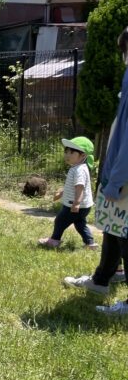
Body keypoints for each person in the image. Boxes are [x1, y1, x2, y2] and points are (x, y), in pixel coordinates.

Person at [64, 26, 128, 315]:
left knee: (124, 233)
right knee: (114, 229)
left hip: (123, 176)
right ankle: (102, 279)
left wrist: (115, 181)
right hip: (117, 172)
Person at [38, 137, 98, 250]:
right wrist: (62, 193)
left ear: (83, 156)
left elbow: (80, 187)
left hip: (73, 205)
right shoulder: (78, 168)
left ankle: (54, 240)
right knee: (80, 223)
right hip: (85, 206)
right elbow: (74, 187)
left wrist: (76, 203)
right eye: (66, 152)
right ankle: (90, 243)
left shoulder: (79, 170)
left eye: (71, 152)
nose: (67, 155)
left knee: (60, 220)